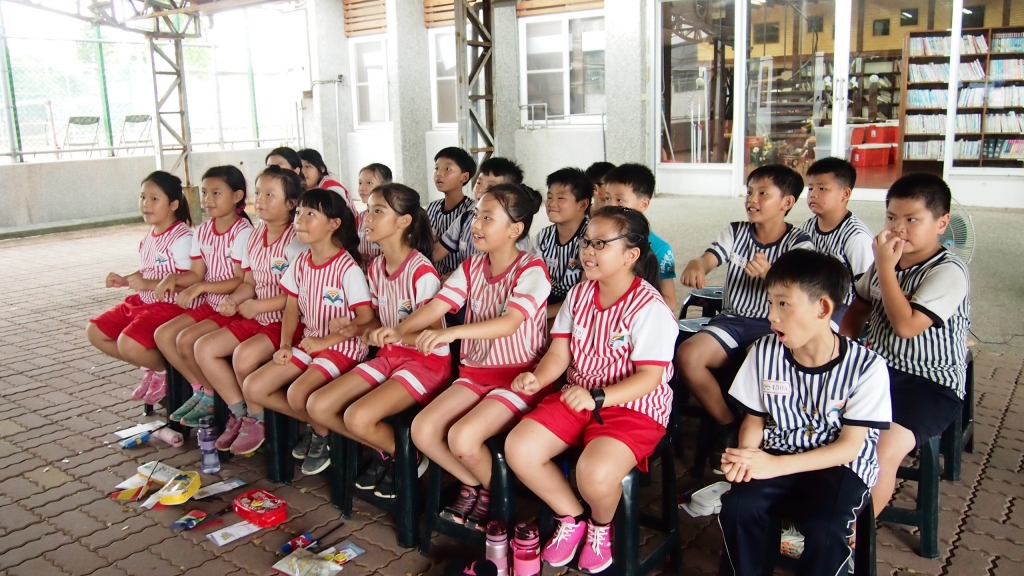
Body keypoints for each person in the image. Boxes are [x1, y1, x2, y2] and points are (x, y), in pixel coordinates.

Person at [506, 207, 676, 574]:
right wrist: (538, 377)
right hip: (578, 395)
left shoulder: (649, 307)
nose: (588, 251)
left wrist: (598, 397)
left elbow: (650, 377)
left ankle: (601, 526)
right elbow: (559, 352)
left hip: (634, 407)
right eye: (586, 242)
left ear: (631, 255)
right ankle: (572, 516)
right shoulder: (579, 294)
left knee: (594, 475)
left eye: (601, 244)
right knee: (519, 448)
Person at [718, 249, 891, 576]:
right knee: (738, 508)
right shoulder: (763, 352)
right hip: (779, 452)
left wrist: (774, 465)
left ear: (823, 308)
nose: (772, 316)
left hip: (840, 465)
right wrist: (746, 457)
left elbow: (849, 447)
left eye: (784, 304)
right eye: (770, 303)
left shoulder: (867, 367)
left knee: (826, 527)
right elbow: (754, 419)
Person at [395, 184, 549, 530]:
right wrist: (399, 330)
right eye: (476, 215)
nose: (476, 225)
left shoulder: (532, 269)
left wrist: (450, 333)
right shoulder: (472, 266)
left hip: (518, 379)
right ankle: (475, 484)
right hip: (475, 374)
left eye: (487, 218)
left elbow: (510, 323)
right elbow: (437, 306)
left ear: (515, 229)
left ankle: (499, 497)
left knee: (462, 438)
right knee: (423, 430)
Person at [839, 173, 970, 517]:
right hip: (879, 372)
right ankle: (818, 516)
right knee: (823, 428)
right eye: (892, 217)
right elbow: (858, 310)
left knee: (881, 450)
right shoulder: (886, 261)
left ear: (941, 223)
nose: (899, 228)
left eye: (912, 220)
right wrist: (842, 353)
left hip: (930, 385)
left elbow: (906, 326)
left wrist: (885, 267)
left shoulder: (948, 272)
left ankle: (852, 536)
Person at [307, 183, 449, 498]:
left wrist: (393, 333)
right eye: (368, 210)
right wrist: (355, 326)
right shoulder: (375, 267)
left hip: (426, 363)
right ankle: (390, 451)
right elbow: (374, 321)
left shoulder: (421, 271)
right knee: (318, 406)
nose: (367, 218)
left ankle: (409, 456)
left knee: (357, 417)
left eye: (378, 211)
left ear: (404, 221)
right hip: (390, 356)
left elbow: (434, 336)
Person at [675, 164, 813, 466]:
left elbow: (799, 294)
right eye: (750, 192)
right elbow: (710, 257)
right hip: (732, 320)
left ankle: (759, 428)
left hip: (773, 326)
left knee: (759, 362)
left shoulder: (799, 243)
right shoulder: (736, 231)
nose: (752, 199)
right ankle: (728, 424)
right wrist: (698, 264)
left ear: (787, 202)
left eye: (763, 193)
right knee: (687, 355)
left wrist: (771, 277)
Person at [242, 189, 373, 475]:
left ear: (334, 224)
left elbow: (366, 318)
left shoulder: (346, 268)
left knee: (297, 393)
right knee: (254, 387)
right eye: (299, 212)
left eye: (310, 214)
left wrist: (327, 340)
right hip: (310, 342)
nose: (299, 220)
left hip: (342, 348)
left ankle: (323, 437)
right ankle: (320, 427)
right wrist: (284, 345)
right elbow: (291, 308)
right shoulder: (301, 262)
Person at [193, 165, 307, 454]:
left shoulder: (298, 242)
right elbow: (248, 282)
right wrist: (235, 300)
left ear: (291, 203)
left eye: (270, 194)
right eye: (258, 193)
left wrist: (258, 305)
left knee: (243, 356)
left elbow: (298, 296)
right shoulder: (253, 237)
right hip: (257, 317)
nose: (261, 200)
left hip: (288, 323)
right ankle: (240, 412)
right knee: (204, 348)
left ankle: (258, 419)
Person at [153, 166, 253, 426]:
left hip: (233, 307)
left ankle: (216, 398)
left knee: (187, 339)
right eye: (205, 192)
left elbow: (239, 281)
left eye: (216, 193)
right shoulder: (204, 230)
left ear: (237, 196)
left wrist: (202, 288)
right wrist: (174, 279)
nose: (208, 199)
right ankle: (201, 389)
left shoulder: (242, 232)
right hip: (211, 304)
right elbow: (196, 274)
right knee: (164, 334)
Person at [86, 171, 194, 405]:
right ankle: (152, 366)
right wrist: (126, 280)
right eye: (143, 197)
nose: (146, 204)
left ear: (173, 204)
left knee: (129, 344)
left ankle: (165, 372)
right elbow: (149, 270)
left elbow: (190, 278)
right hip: (145, 303)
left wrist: (147, 284)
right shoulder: (150, 236)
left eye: (154, 199)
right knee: (95, 331)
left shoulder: (182, 238)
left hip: (172, 307)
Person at [801, 157, 873, 324]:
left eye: (822, 188)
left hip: (845, 308)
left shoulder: (856, 237)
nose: (814, 194)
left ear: (845, 194)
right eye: (810, 188)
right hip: (812, 300)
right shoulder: (808, 226)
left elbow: (868, 291)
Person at [603, 163, 678, 311]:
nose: (610, 206)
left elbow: (670, 302)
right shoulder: (598, 241)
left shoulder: (661, 249)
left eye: (619, 200)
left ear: (644, 204)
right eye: (607, 198)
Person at [434, 157, 526, 270]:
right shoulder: (465, 218)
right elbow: (436, 253)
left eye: (491, 186)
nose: (481, 189)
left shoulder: (515, 232)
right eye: (479, 183)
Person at [531, 167, 592, 320]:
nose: (552, 203)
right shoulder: (543, 237)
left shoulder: (592, 239)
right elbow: (532, 279)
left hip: (578, 310)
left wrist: (538, 315)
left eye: (561, 198)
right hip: (545, 304)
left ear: (583, 205)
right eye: (549, 197)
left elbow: (585, 295)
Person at [427, 147, 477, 276]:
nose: (439, 174)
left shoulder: (472, 211)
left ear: (464, 177)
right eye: (436, 168)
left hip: (463, 279)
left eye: (447, 169)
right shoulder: (432, 208)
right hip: (433, 276)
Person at [355, 163, 393, 265]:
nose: (362, 188)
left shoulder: (390, 217)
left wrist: (368, 257)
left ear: (386, 186)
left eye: (369, 183)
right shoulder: (360, 217)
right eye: (360, 183)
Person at [298, 148, 355, 213]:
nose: (302, 171)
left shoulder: (331, 188)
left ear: (322, 169)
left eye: (307, 166)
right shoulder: (300, 189)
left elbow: (339, 214)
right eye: (300, 167)